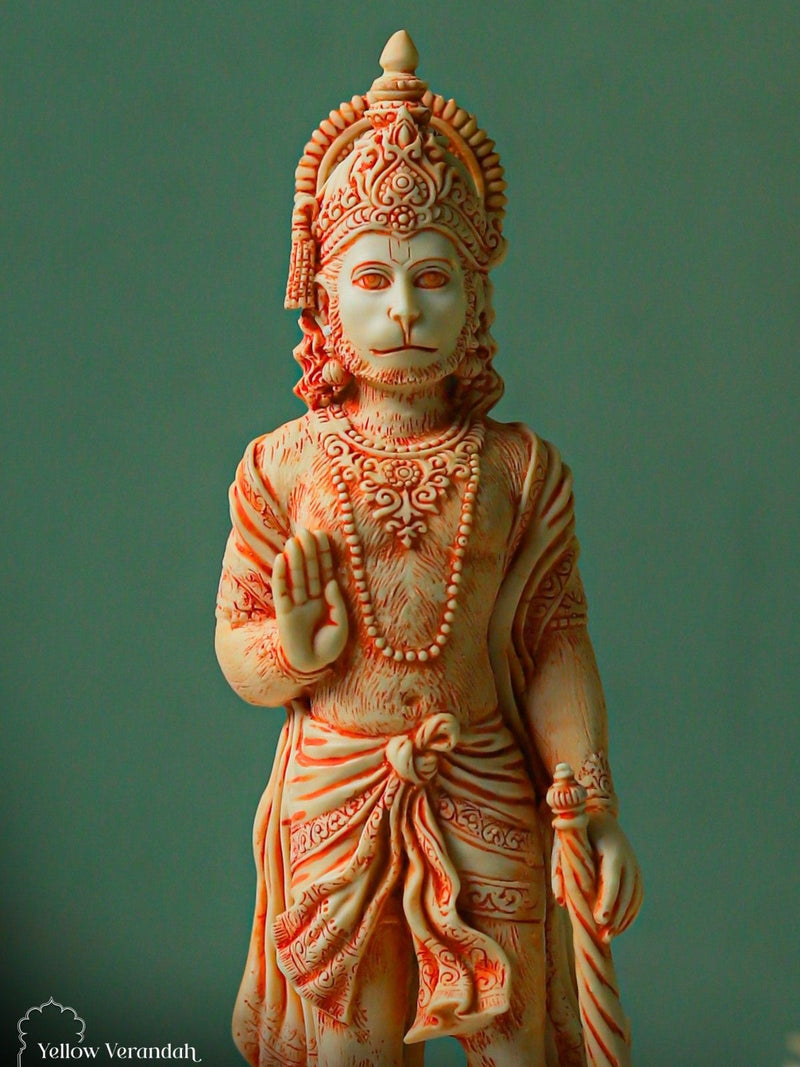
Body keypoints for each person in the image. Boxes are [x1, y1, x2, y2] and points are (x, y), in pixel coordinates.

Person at [215, 31, 641, 1067]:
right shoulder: (282, 465)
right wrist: (295, 649)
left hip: (482, 775)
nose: (403, 307)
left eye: (433, 277)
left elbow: (552, 640)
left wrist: (589, 805)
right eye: (373, 277)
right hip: (335, 788)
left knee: (515, 1041)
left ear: (476, 300)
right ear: (326, 299)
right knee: (351, 1048)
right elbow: (236, 648)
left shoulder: (518, 471)